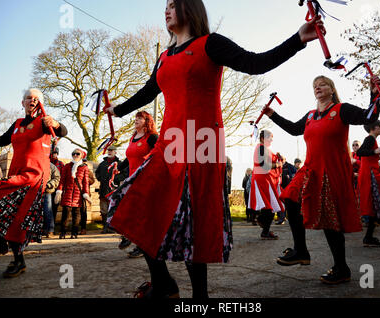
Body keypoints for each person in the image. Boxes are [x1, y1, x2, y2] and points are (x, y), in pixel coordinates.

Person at [104, 0, 325, 298]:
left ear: (189, 9)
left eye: (172, 4)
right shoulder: (164, 56)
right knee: (131, 207)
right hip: (168, 148)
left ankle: (200, 298)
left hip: (200, 145)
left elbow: (255, 63)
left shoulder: (211, 44)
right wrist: (117, 110)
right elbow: (149, 90)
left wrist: (298, 39)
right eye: (165, 6)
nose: (166, 10)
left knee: (193, 224)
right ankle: (164, 283)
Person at [264, 74, 380, 284]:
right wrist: (273, 115)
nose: (318, 87)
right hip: (310, 169)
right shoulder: (310, 116)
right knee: (290, 198)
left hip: (331, 171)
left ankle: (341, 267)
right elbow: (293, 129)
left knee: (330, 220)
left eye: (323, 84)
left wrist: (374, 96)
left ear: (331, 88)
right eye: (315, 85)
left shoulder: (341, 110)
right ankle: (300, 250)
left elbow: (368, 117)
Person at [0, 88, 67, 277]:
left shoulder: (43, 122)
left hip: (33, 177)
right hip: (16, 172)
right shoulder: (17, 124)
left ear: (39, 103)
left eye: (36, 99)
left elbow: (62, 131)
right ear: (22, 103)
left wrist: (56, 123)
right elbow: (2, 140)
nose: (32, 101)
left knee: (11, 209)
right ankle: (13, 256)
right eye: (28, 98)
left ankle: (2, 247)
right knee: (11, 215)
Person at [115, 111, 158, 258]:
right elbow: (129, 157)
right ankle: (129, 236)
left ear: (147, 121)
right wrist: (118, 167)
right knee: (128, 209)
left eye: (140, 118)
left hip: (146, 180)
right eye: (135, 118)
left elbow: (158, 154)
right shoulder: (133, 137)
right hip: (132, 180)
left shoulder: (152, 137)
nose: (136, 120)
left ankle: (142, 246)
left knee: (141, 213)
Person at [249, 130, 284, 239]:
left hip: (265, 179)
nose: (272, 140)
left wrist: (278, 158)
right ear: (263, 138)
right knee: (270, 206)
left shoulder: (264, 149)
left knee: (270, 206)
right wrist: (277, 163)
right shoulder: (260, 147)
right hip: (262, 180)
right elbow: (264, 165)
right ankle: (263, 226)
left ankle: (264, 229)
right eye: (270, 137)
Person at [55, 148, 92, 239]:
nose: (75, 155)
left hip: (78, 194)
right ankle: (63, 232)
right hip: (67, 193)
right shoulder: (67, 166)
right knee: (65, 214)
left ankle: (74, 233)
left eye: (77, 154)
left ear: (81, 156)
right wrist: (59, 191)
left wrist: (86, 194)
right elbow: (62, 180)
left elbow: (85, 182)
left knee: (77, 214)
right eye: (73, 153)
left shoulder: (84, 168)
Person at [95, 145, 125, 234]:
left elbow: (124, 174)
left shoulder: (120, 163)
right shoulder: (103, 164)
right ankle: (105, 227)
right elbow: (97, 173)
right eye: (108, 150)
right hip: (103, 190)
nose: (109, 152)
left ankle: (113, 228)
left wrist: (115, 178)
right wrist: (101, 178)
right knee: (104, 210)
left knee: (114, 209)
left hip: (114, 190)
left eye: (111, 150)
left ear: (115, 152)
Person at [42, 162, 61, 237]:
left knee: (48, 211)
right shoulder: (35, 163)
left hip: (47, 191)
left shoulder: (51, 166)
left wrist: (49, 184)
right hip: (35, 191)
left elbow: (57, 178)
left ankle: (50, 230)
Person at [276, 156, 296, 225]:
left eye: (281, 160)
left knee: (288, 203)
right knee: (281, 203)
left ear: (284, 160)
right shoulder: (277, 167)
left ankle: (288, 218)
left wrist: (290, 176)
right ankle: (281, 218)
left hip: (288, 188)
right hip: (280, 187)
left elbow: (295, 174)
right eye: (279, 160)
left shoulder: (289, 166)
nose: (280, 161)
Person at [50, 147, 65, 229]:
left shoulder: (60, 164)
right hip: (47, 189)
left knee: (54, 208)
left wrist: (60, 190)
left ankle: (52, 227)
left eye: (55, 153)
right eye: (53, 153)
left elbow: (62, 178)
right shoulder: (46, 162)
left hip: (56, 189)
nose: (54, 155)